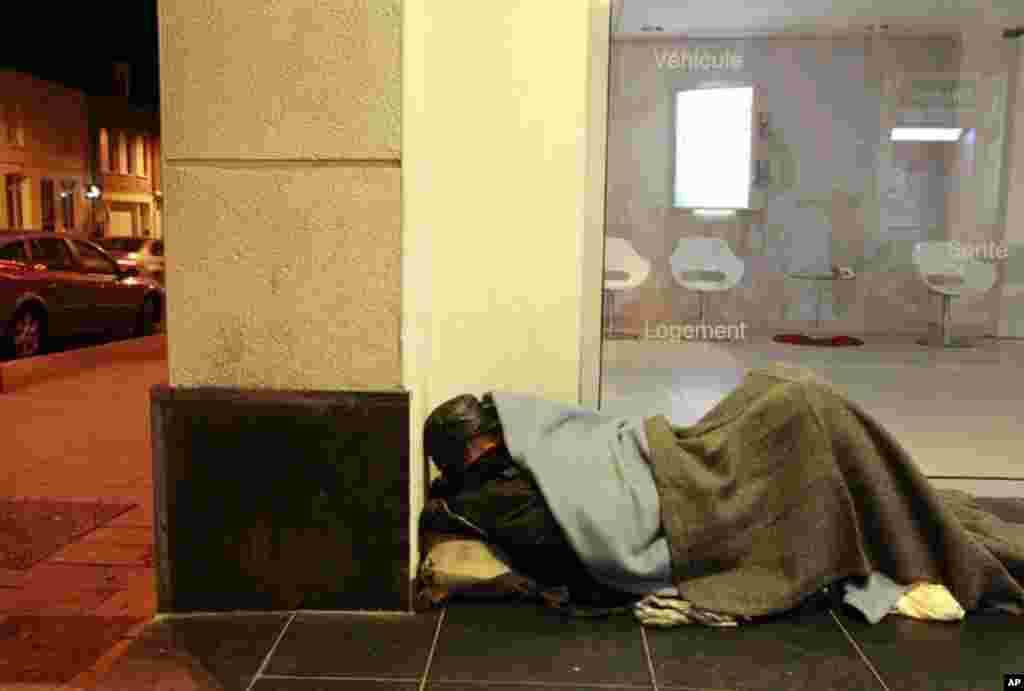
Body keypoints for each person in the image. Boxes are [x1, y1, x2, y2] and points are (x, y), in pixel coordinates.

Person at [421, 365, 1024, 621]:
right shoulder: (501, 502)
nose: (495, 432)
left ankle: (891, 490)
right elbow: (595, 529)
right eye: (483, 433)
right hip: (688, 492)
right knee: (803, 415)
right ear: (470, 454)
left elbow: (586, 434)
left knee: (786, 391)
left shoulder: (512, 448)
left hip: (673, 451)